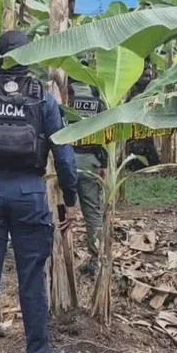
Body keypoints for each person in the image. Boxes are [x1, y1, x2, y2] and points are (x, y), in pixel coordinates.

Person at [0, 30, 79, 353]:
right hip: (30, 194)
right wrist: (70, 199)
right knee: (32, 278)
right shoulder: (44, 99)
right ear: (27, 59)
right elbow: (64, 155)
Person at [67, 77, 108, 276]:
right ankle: (96, 257)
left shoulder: (65, 95)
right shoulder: (96, 95)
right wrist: (104, 164)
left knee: (63, 210)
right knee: (92, 212)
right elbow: (104, 133)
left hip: (67, 160)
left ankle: (62, 256)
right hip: (91, 160)